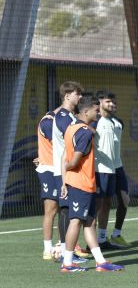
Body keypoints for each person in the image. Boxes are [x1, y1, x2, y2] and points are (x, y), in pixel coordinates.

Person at [59, 95, 124, 273]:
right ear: (86, 111)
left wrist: (64, 181)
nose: (98, 113)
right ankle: (67, 263)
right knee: (76, 221)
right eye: (96, 110)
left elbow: (65, 156)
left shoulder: (71, 128)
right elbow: (72, 162)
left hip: (78, 182)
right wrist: (68, 169)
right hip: (81, 183)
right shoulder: (86, 132)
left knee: (89, 222)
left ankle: (100, 261)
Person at [49, 81, 91, 261]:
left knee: (69, 211)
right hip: (65, 170)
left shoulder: (70, 116)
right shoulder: (64, 116)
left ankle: (68, 250)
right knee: (66, 210)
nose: (80, 97)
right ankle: (64, 250)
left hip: (71, 170)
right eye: (77, 93)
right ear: (67, 96)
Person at [93, 90, 121, 250]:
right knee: (96, 206)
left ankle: (102, 239)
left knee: (107, 204)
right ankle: (90, 243)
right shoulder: (95, 121)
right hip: (98, 170)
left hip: (111, 170)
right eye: (108, 101)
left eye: (112, 101)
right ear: (100, 102)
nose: (111, 104)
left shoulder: (113, 122)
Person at [35, 105, 64, 261]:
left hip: (61, 170)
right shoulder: (48, 122)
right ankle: (47, 249)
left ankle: (62, 247)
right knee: (51, 209)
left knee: (63, 210)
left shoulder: (61, 121)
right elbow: (59, 146)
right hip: (49, 170)